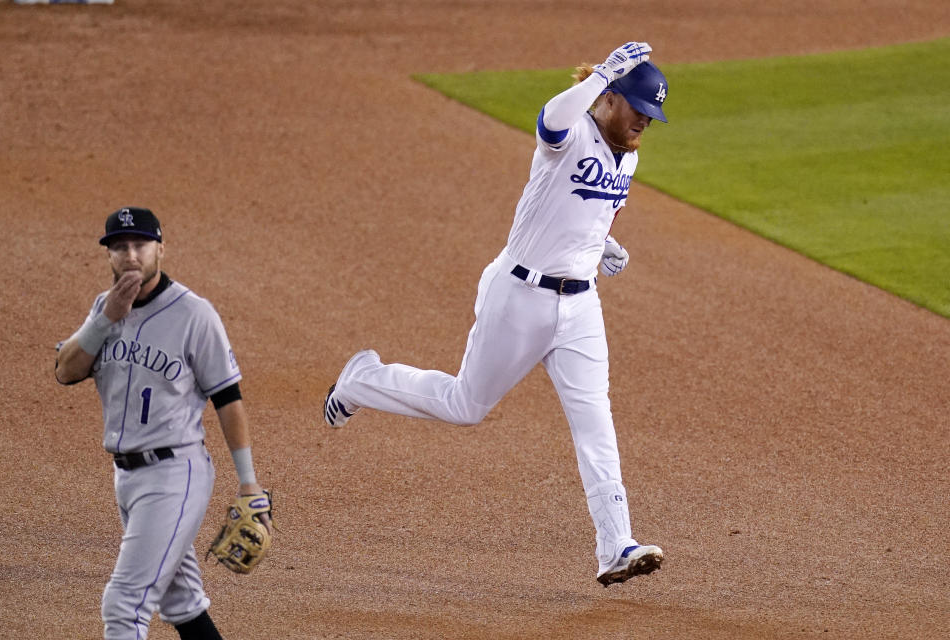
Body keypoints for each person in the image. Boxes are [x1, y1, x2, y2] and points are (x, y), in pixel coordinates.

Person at [324, 42, 669, 586]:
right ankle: (362, 379)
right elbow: (550, 119)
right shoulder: (571, 131)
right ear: (608, 98)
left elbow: (580, 210)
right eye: (639, 110)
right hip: (519, 297)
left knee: (595, 423)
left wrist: (602, 245)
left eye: (653, 116)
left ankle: (615, 546)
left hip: (580, 307)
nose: (645, 123)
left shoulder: (628, 153)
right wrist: (604, 71)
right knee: (466, 405)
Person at [55, 207, 270, 639]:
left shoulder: (195, 315)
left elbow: (228, 399)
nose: (131, 255)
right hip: (127, 478)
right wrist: (104, 320)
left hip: (175, 475)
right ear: (109, 255)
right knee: (181, 603)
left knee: (124, 605)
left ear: (160, 249)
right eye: (120, 247)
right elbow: (65, 370)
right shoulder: (104, 308)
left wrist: (249, 484)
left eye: (140, 245)